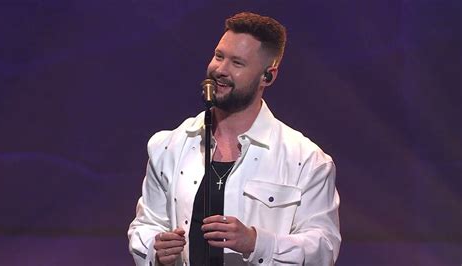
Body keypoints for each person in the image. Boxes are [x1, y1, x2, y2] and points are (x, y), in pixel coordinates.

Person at [128, 12, 341, 265]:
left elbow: (324, 247)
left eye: (237, 63)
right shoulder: (168, 146)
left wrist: (255, 242)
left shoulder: (306, 160)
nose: (220, 70)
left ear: (268, 76)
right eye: (219, 56)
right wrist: (156, 249)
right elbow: (145, 226)